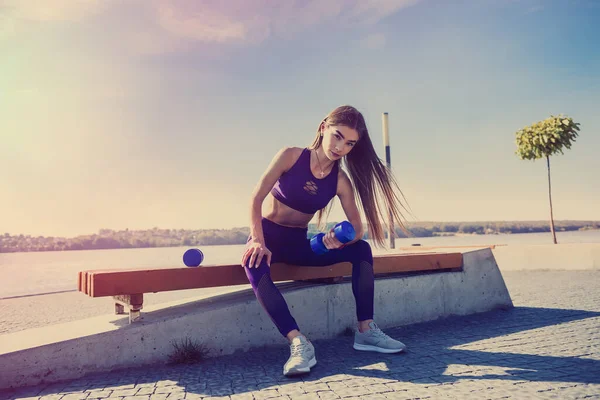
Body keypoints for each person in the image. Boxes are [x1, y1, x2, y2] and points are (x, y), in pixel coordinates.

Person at [241, 105, 410, 377]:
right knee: (252, 263)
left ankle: (366, 331)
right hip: (268, 237)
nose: (341, 147)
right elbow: (255, 197)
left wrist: (339, 239)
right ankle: (298, 342)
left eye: (350, 143)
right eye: (337, 136)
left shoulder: (340, 180)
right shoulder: (290, 156)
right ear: (323, 128)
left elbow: (357, 227)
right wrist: (257, 240)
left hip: (299, 244)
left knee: (362, 249)